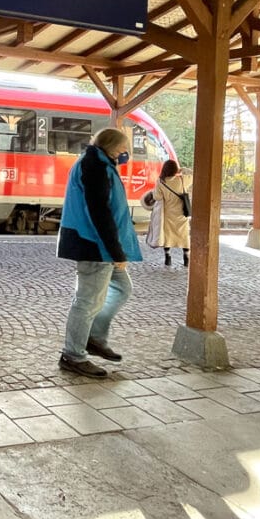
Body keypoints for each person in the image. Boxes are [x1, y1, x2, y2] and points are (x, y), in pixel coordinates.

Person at [57, 127, 141, 378]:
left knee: (122, 289)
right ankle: (73, 354)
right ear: (112, 146)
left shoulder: (98, 162)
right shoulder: (94, 166)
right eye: (123, 148)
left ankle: (92, 337)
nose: (125, 153)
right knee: (87, 302)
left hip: (98, 245)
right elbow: (100, 213)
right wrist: (117, 252)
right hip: (95, 245)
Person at [143, 159, 192, 267]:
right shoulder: (183, 180)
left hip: (168, 214)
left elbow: (157, 197)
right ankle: (186, 257)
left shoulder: (161, 182)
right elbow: (192, 174)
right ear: (176, 169)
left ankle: (168, 257)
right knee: (184, 236)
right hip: (181, 214)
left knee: (167, 236)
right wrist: (182, 169)